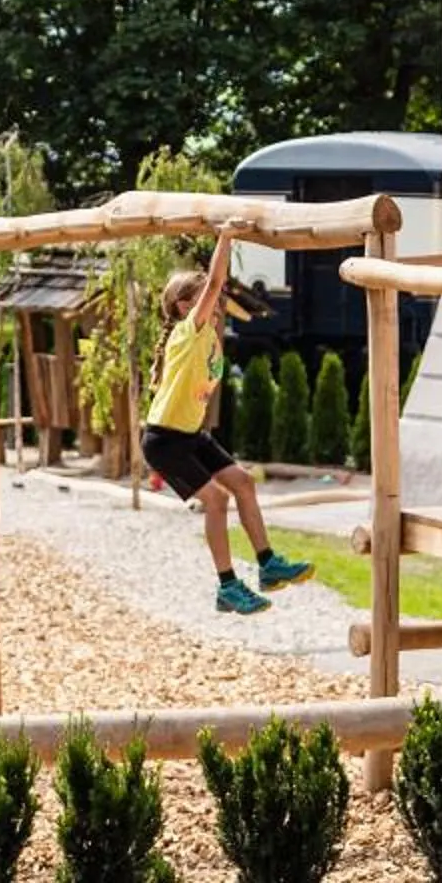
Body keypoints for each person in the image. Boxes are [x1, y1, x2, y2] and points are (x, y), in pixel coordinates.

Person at [143, 230, 312, 613]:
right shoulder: (189, 332)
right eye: (207, 295)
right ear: (186, 306)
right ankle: (227, 586)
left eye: (214, 295)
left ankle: (268, 565)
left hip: (191, 436)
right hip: (165, 440)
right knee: (217, 500)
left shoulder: (208, 338)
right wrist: (227, 235)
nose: (217, 298)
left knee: (243, 483)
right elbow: (218, 278)